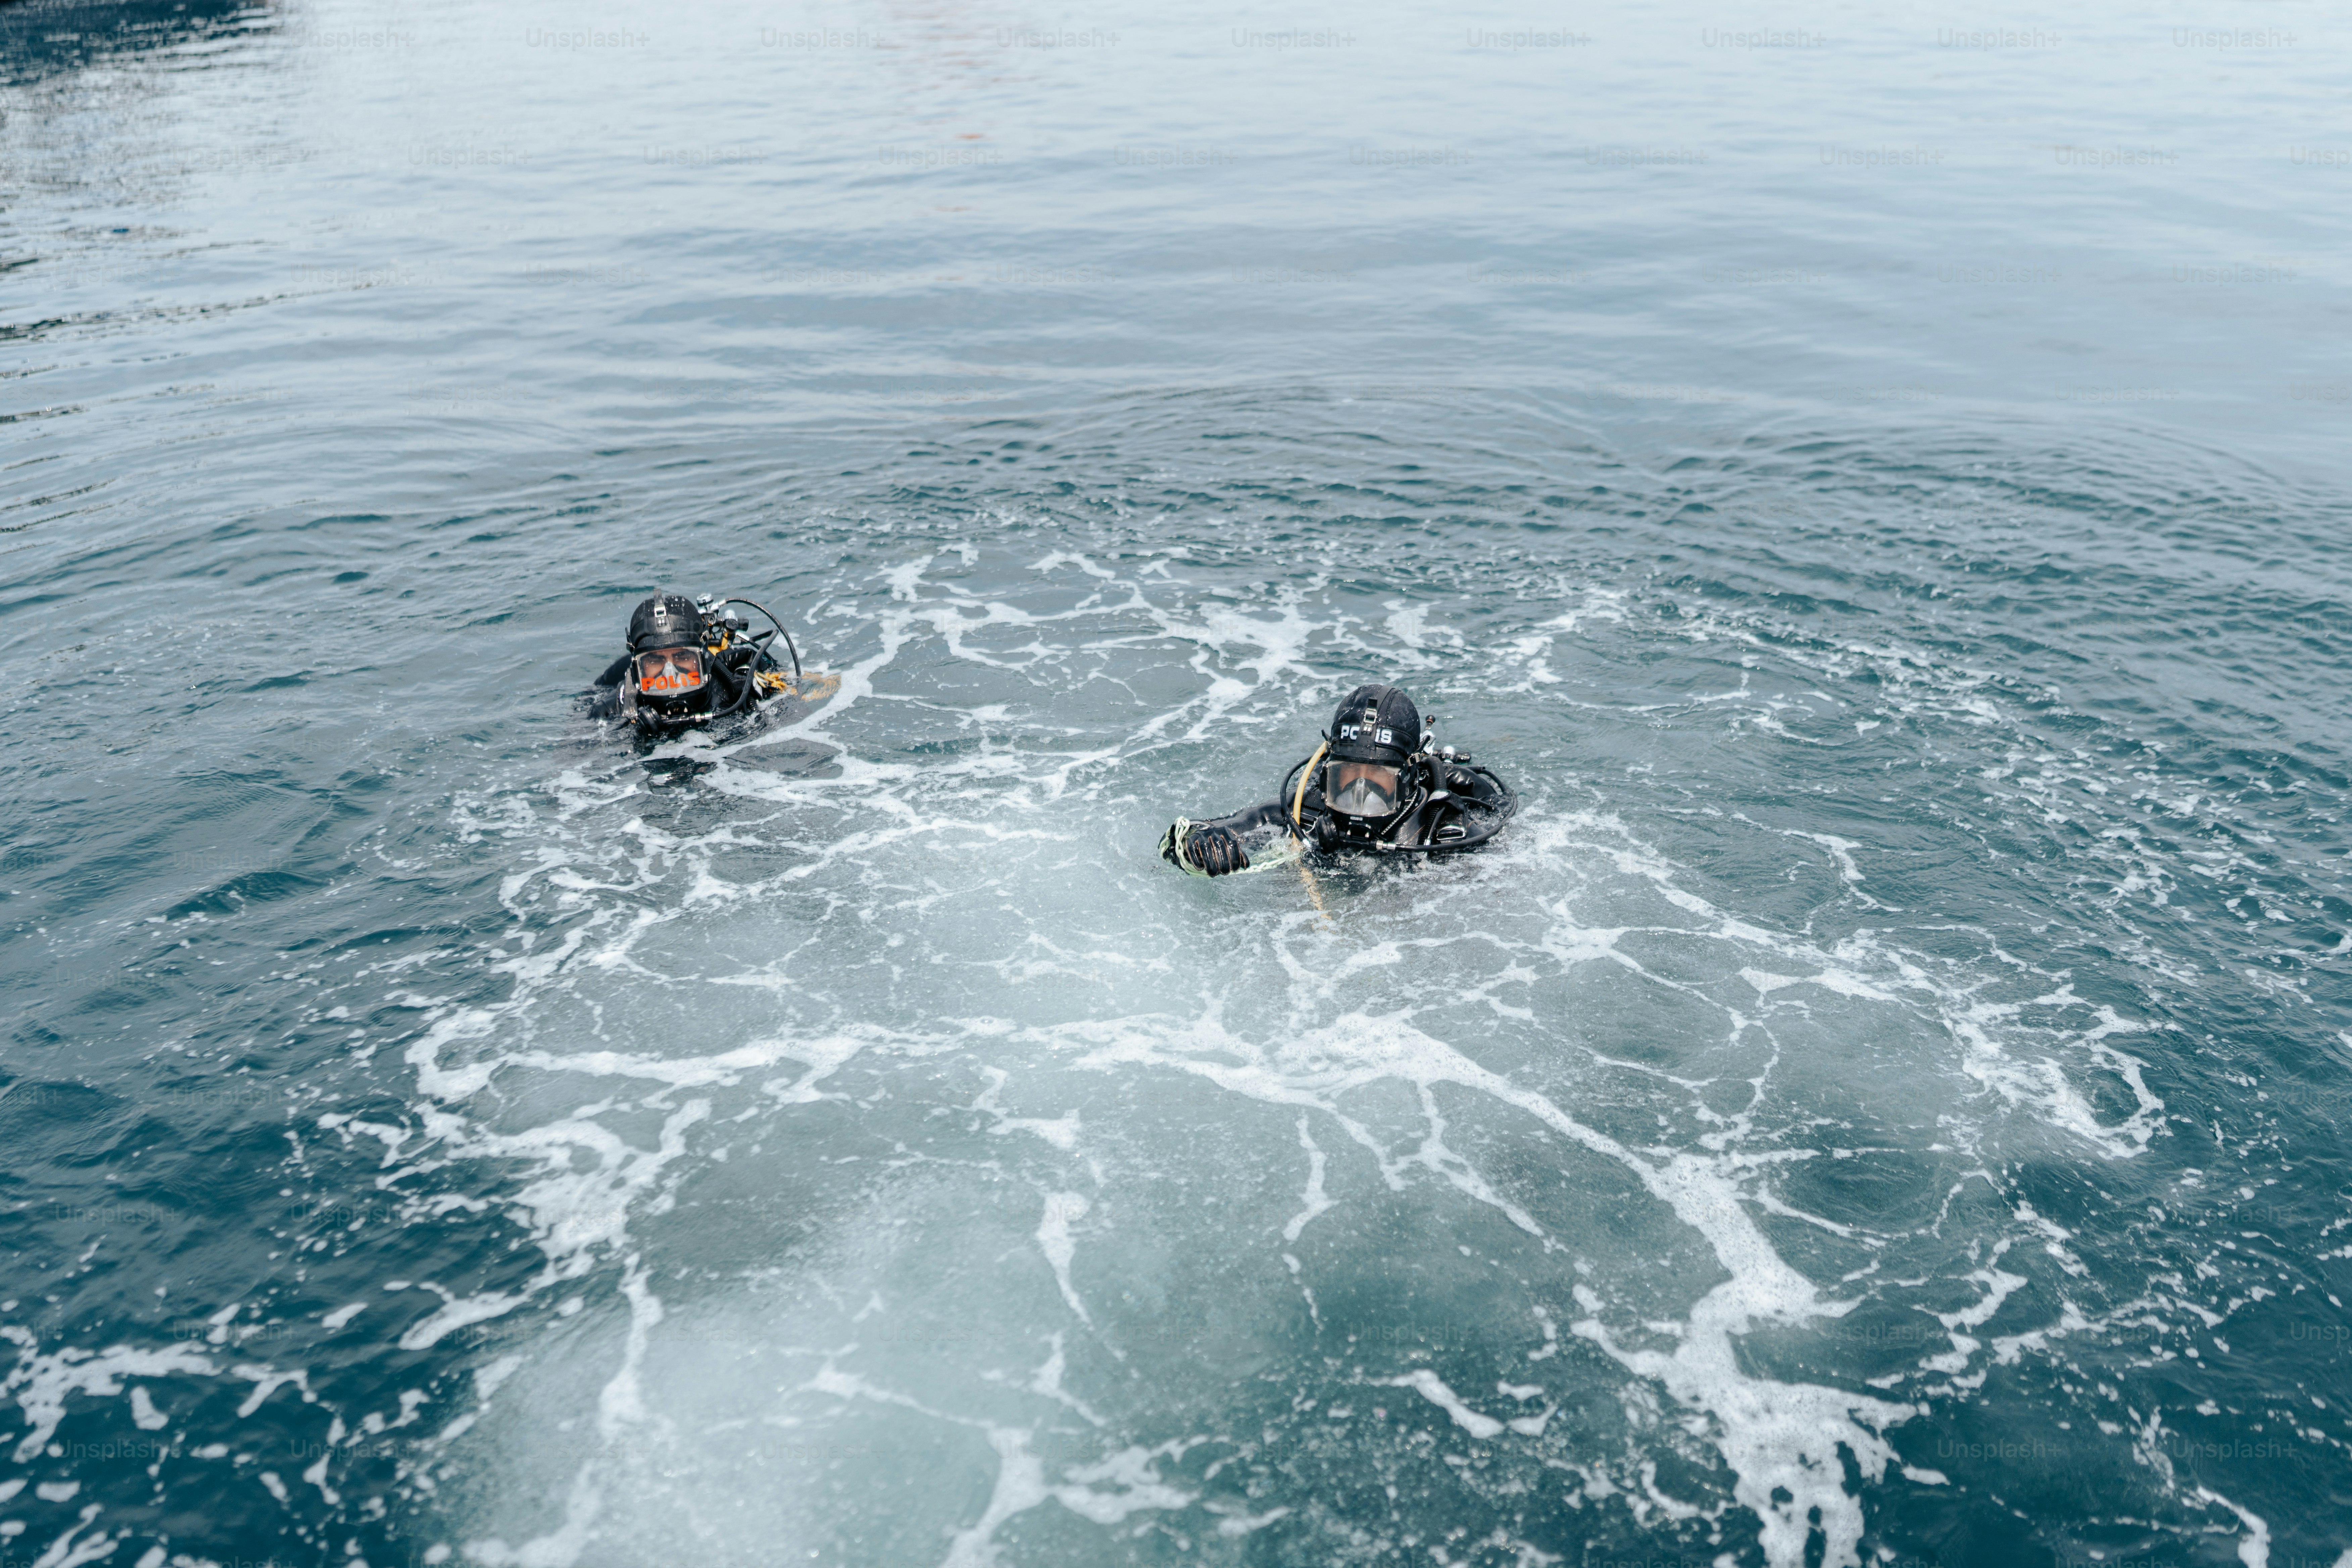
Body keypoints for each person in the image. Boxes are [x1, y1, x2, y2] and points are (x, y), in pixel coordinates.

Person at [1159, 683, 1516, 876]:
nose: (1359, 792)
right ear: (1327, 769)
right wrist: (1198, 844)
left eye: (1378, 782)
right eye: (1345, 778)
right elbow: (1189, 833)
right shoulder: (1306, 815)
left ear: (1407, 780)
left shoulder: (1441, 830)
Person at [588, 592, 805, 736]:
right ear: (637, 670)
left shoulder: (731, 692)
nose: (670, 674)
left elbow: (801, 702)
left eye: (683, 658)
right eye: (655, 661)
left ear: (702, 658)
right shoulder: (613, 709)